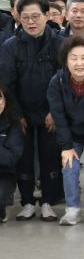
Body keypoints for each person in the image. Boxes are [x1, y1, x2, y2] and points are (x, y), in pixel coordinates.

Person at [0, 0, 64, 222]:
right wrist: (17, 115)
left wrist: (54, 112)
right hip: (21, 112)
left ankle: (48, 202)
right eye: (25, 17)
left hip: (50, 112)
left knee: (50, 157)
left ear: (47, 15)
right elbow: (7, 83)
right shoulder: (10, 46)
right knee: (24, 158)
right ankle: (27, 202)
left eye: (36, 16)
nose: (31, 22)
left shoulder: (60, 43)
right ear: (18, 17)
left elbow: (63, 80)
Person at [48, 36, 84, 227]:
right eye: (74, 58)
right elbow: (59, 117)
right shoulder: (57, 81)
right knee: (70, 165)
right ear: (66, 60)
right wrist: (66, 146)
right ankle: (72, 209)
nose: (79, 63)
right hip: (71, 133)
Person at [0, 83, 23, 224]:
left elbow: (11, 158)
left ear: (5, 101)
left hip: (4, 174)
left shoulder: (13, 124)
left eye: (0, 98)